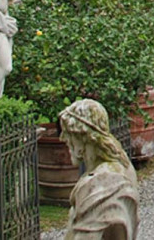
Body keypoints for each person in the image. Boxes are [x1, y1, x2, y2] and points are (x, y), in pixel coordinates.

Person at [59, 99, 138, 240]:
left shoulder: (101, 184)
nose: (62, 138)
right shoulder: (123, 165)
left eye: (67, 133)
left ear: (82, 137)